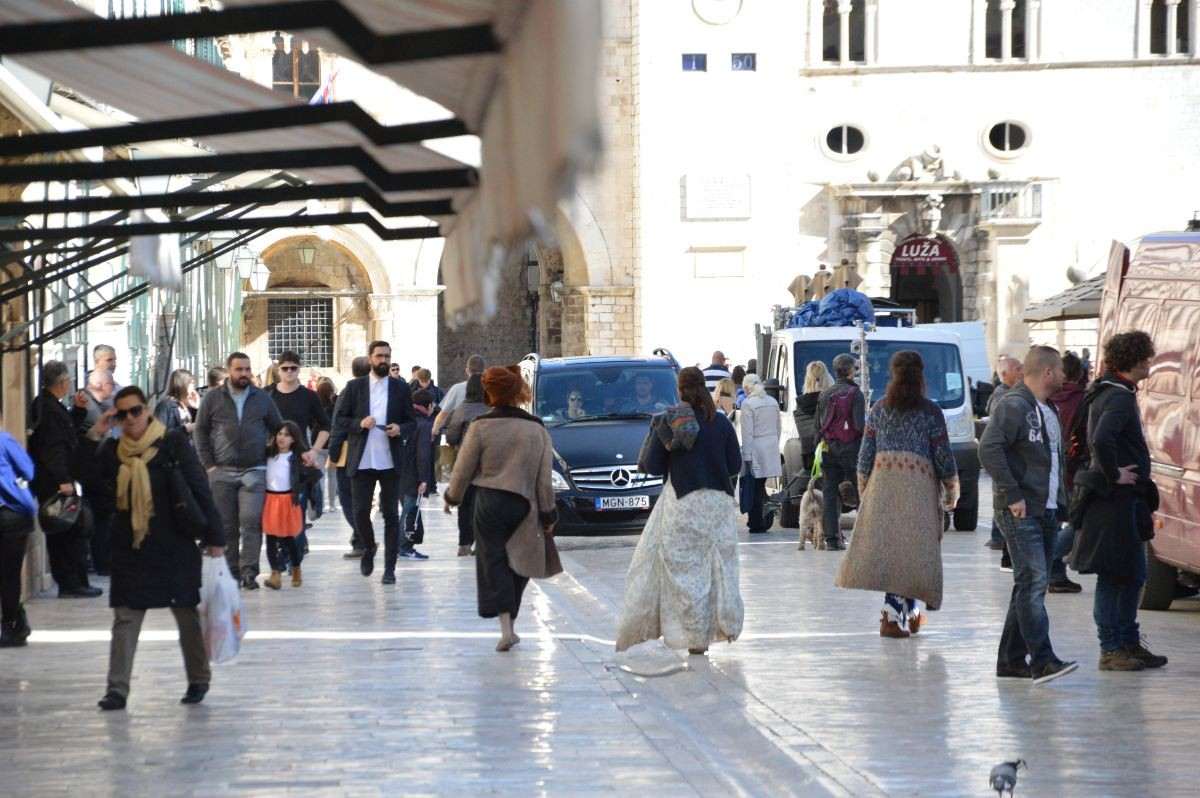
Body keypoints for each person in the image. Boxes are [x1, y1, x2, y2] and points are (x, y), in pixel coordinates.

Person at [86, 387, 224, 711]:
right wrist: (95, 434)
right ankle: (117, 689)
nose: (130, 419)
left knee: (186, 614)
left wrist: (215, 537)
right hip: (130, 547)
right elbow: (86, 477)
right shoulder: (112, 451)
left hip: (174, 545)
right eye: (122, 414)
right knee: (125, 617)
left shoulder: (172, 442)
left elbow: (199, 487)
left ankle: (198, 679)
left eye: (135, 411)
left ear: (146, 410)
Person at [616, 366, 742, 655]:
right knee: (715, 569)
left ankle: (691, 635)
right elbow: (735, 465)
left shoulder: (670, 420)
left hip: (682, 502)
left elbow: (652, 465)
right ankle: (714, 630)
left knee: (685, 574)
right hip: (718, 505)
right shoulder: (721, 423)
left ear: (679, 390)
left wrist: (659, 435)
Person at [835, 351, 959, 637]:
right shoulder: (931, 412)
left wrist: (865, 491)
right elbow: (943, 456)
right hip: (919, 490)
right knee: (913, 551)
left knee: (895, 551)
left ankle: (910, 613)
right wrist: (952, 489)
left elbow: (865, 456)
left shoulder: (879, 409)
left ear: (893, 374)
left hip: (884, 487)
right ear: (921, 375)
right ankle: (891, 618)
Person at [445, 366, 561, 651]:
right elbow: (544, 480)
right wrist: (548, 514)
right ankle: (512, 623)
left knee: (492, 560)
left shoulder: (481, 427)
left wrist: (452, 498)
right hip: (524, 503)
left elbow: (462, 469)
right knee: (521, 563)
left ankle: (506, 628)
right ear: (517, 393)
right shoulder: (536, 429)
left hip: (489, 502)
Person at [979, 345, 1078, 684]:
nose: (1064, 376)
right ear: (1048, 372)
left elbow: (1052, 461)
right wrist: (1013, 493)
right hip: (1021, 510)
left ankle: (1010, 660)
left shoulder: (1048, 409)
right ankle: (1043, 660)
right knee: (1034, 582)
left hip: (1045, 509)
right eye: (1060, 370)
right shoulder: (1014, 406)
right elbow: (988, 449)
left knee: (1029, 584)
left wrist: (1060, 503)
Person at [1071, 331, 1167, 672]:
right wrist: (1114, 474)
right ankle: (1111, 648)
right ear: (1136, 360)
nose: (1150, 363)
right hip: (1115, 501)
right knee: (1115, 575)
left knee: (1134, 573)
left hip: (1124, 499)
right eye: (1147, 358)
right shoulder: (1118, 397)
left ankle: (1128, 642)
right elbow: (1101, 439)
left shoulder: (1109, 391)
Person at [193, 352, 283, 590]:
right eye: (239, 369)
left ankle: (249, 572)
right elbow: (200, 430)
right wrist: (209, 465)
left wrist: (272, 453)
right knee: (227, 525)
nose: (244, 374)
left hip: (254, 470)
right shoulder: (213, 398)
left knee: (251, 521)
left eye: (247, 369)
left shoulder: (262, 398)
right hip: (221, 471)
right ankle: (231, 571)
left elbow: (278, 427)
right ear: (229, 371)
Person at [333, 341, 414, 579]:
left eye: (387, 356)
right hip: (362, 460)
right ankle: (369, 547)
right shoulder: (354, 387)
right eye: (379, 356)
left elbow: (411, 422)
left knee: (391, 515)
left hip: (390, 461)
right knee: (360, 512)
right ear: (370, 358)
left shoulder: (401, 388)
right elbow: (340, 420)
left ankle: (389, 569)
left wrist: (400, 429)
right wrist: (360, 423)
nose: (383, 360)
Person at [29, 361, 101, 598]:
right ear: (60, 382)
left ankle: (74, 582)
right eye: (68, 380)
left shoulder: (50, 405)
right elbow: (54, 448)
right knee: (66, 532)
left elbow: (66, 432)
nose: (70, 384)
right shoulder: (47, 408)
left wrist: (78, 411)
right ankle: (71, 583)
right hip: (54, 483)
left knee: (68, 530)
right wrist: (63, 480)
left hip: (56, 479)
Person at [261, 421, 320, 590]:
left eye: (287, 435)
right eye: (279, 434)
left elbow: (314, 475)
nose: (282, 438)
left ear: (293, 439)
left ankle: (296, 568)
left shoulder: (297, 457)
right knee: (271, 538)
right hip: (270, 500)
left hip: (288, 500)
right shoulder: (268, 454)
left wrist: (312, 466)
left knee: (288, 539)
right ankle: (275, 574)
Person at [816, 353, 866, 551]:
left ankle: (832, 539)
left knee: (829, 493)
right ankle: (865, 536)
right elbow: (859, 425)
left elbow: (818, 425)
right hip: (852, 449)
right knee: (862, 491)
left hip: (829, 448)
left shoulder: (825, 394)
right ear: (851, 371)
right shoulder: (856, 393)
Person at [1046, 353, 1086, 594]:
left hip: (1053, 468)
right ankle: (1050, 558)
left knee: (1058, 520)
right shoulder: (1082, 399)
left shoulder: (1047, 398)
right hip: (1075, 468)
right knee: (1080, 520)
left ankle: (1056, 575)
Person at [329, 356, 371, 558]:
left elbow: (339, 423)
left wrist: (334, 451)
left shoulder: (349, 391)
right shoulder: (376, 392)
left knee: (347, 498)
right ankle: (360, 539)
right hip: (370, 453)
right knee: (361, 499)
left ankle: (363, 539)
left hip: (349, 452)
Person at [77, 370, 117, 578]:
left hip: (97, 474)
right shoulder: (89, 407)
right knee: (101, 523)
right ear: (101, 384)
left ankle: (103, 561)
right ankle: (103, 562)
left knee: (103, 523)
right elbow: (89, 441)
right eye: (111, 384)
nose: (113, 388)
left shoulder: (96, 406)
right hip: (95, 474)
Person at [0, 420, 37, 647]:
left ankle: (14, 622)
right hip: (12, 514)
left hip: (10, 516)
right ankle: (11, 623)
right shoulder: (4, 440)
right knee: (10, 573)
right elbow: (28, 471)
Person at [444, 374, 489, 557]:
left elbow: (451, 437)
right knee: (483, 505)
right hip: (487, 465)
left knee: (465, 505)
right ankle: (481, 542)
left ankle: (464, 543)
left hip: (465, 463)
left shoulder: (461, 410)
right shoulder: (491, 409)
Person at [986, 355, 1026, 558]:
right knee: (1003, 496)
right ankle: (998, 540)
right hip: (1005, 458)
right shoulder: (1003, 398)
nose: (1022, 372)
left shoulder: (1010, 395)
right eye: (1017, 369)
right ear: (1004, 374)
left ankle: (998, 539)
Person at [395, 389, 437, 579]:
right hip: (413, 475)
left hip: (399, 472)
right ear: (428, 406)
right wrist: (424, 479)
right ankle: (404, 546)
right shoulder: (424, 425)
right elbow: (423, 454)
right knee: (410, 510)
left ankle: (403, 545)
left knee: (407, 509)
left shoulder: (405, 420)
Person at [739, 374, 781, 534]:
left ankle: (756, 522)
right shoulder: (773, 402)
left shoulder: (748, 404)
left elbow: (747, 433)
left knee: (754, 487)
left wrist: (747, 457)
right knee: (760, 486)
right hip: (770, 448)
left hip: (756, 449)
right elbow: (778, 427)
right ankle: (763, 518)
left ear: (747, 387)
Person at [796, 361, 834, 476]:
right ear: (827, 377)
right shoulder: (833, 399)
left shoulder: (800, 403)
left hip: (810, 456)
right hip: (833, 452)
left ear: (807, 380)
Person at [315, 377, 339, 512]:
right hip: (333, 443)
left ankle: (321, 504)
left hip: (318, 443)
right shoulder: (335, 406)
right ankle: (332, 504)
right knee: (332, 475)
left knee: (320, 476)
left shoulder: (316, 406)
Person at [154, 369, 196, 436]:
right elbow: (157, 434)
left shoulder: (188, 405)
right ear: (183, 384)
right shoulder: (165, 406)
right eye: (192, 383)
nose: (193, 387)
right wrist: (185, 429)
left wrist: (197, 407)